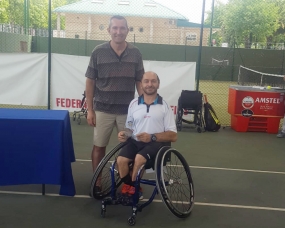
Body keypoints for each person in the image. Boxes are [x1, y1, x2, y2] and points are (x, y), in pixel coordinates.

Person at [85, 15, 144, 194]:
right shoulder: (98, 52)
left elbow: (139, 81)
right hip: (102, 109)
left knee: (130, 147)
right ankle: (97, 182)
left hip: (128, 112)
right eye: (115, 28)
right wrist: (90, 110)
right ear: (109, 30)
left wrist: (143, 106)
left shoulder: (135, 53)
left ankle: (129, 183)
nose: (118, 31)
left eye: (122, 28)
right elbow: (90, 81)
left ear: (127, 30)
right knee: (99, 146)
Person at [116, 71, 177, 199]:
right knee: (120, 160)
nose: (150, 84)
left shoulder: (164, 107)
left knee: (139, 158)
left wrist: (152, 137)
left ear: (158, 84)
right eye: (146, 81)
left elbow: (173, 136)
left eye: (153, 81)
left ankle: (133, 188)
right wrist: (124, 134)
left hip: (156, 143)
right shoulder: (133, 104)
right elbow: (129, 128)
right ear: (141, 84)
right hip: (135, 142)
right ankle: (131, 185)